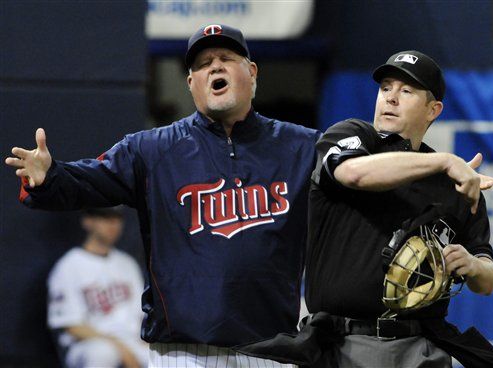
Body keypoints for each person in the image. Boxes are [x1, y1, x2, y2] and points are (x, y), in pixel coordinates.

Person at [6, 24, 320, 367]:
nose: (215, 66)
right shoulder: (153, 150)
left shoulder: (300, 146)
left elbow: (354, 179)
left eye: (226, 58)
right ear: (191, 84)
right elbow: (89, 181)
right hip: (185, 353)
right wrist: (49, 176)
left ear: (252, 71)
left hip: (272, 351)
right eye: (202, 64)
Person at [303, 50, 493, 367]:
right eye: (386, 88)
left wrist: (473, 264)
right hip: (341, 345)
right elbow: (353, 173)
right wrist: (444, 161)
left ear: (433, 109)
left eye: (406, 91)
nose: (391, 98)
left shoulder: (458, 186)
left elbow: (488, 280)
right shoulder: (352, 137)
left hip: (421, 348)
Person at [48, 207, 148, 368]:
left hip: (132, 342)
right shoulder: (68, 266)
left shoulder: (127, 263)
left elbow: (142, 316)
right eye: (105, 217)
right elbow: (71, 325)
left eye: (117, 218)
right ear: (88, 221)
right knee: (102, 352)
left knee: (171, 356)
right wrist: (121, 348)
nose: (112, 224)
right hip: (90, 344)